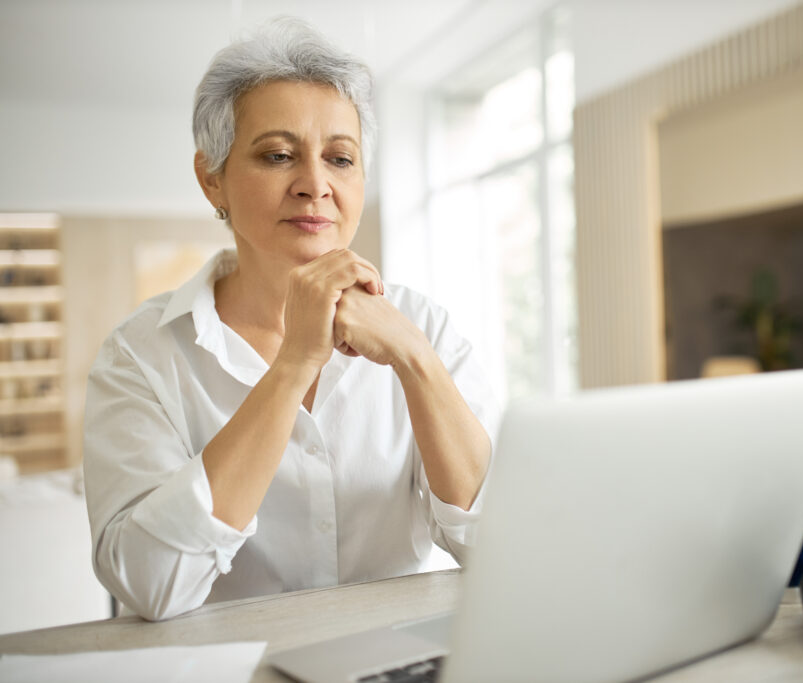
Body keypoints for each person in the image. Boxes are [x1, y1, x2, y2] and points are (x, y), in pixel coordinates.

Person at [82, 17, 498, 622]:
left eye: (340, 158)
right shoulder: (139, 356)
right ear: (211, 178)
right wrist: (294, 362)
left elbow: (498, 549)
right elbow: (152, 584)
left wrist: (416, 361)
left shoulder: (424, 327)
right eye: (279, 155)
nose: (315, 185)